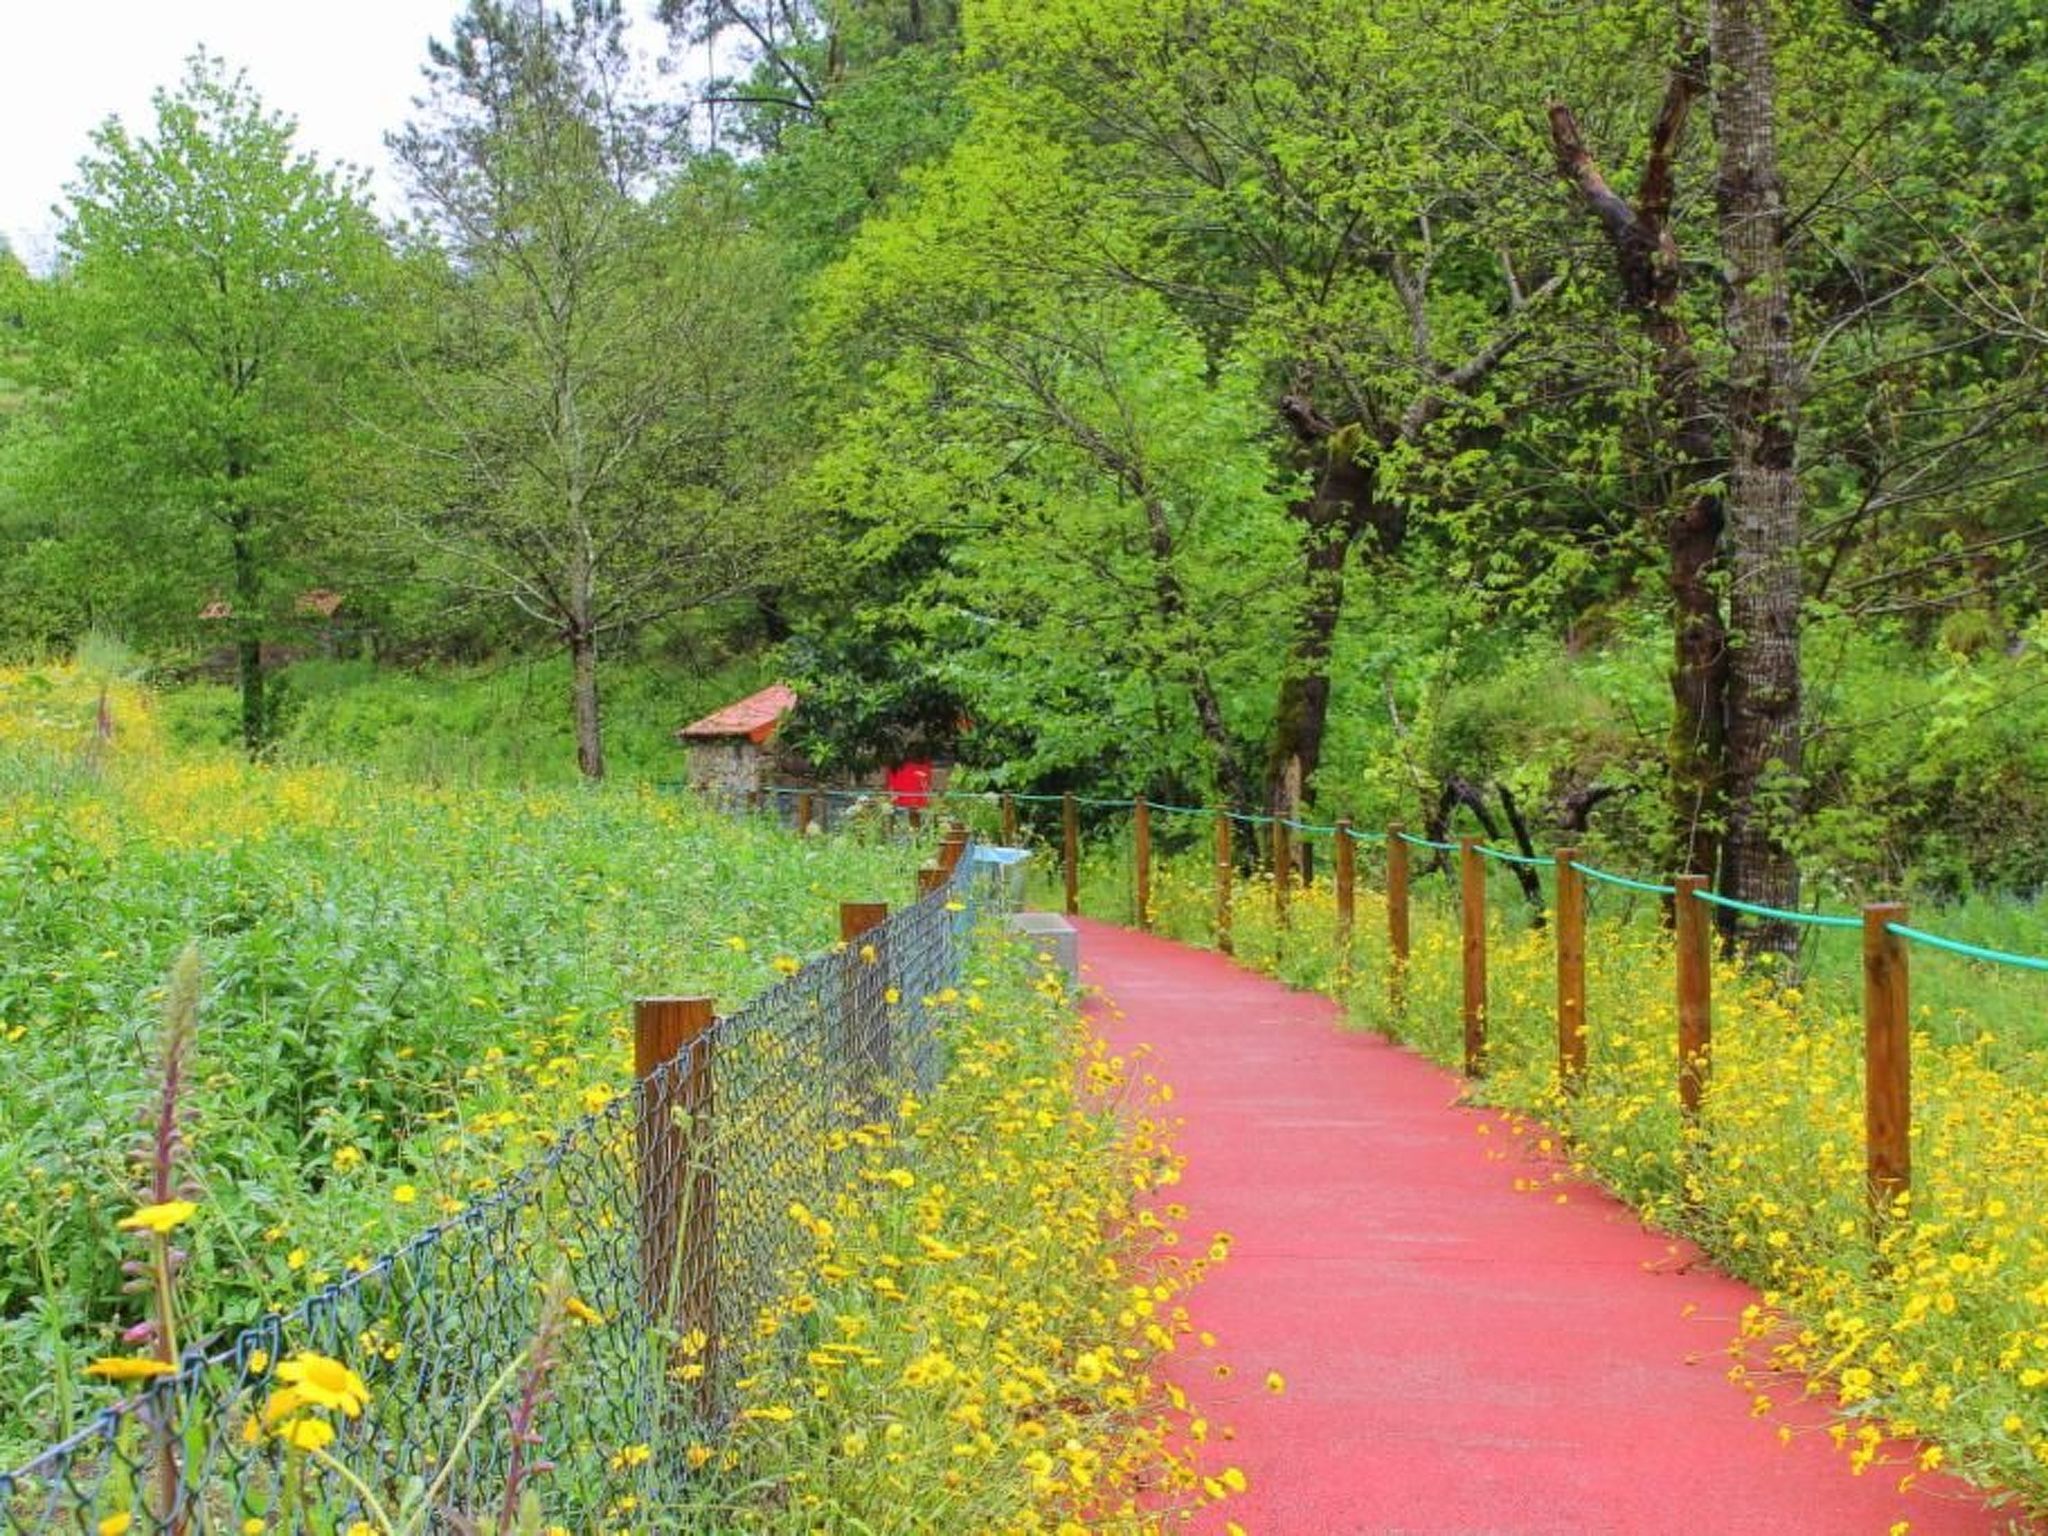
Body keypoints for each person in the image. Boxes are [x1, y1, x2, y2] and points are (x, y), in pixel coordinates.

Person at [885, 758, 934, 830]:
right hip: (904, 805)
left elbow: (927, 785)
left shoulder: (924, 764)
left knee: (906, 829)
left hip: (914, 805)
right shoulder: (895, 765)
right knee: (905, 829)